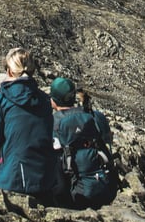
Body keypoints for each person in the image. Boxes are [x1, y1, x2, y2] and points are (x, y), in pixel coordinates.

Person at [0, 48, 56, 199]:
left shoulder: (0, 100)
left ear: (10, 72)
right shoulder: (45, 100)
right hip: (46, 178)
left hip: (13, 179)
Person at [49, 77, 116, 209]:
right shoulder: (95, 116)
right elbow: (107, 142)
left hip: (71, 194)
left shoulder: (52, 122)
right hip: (105, 187)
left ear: (53, 100)